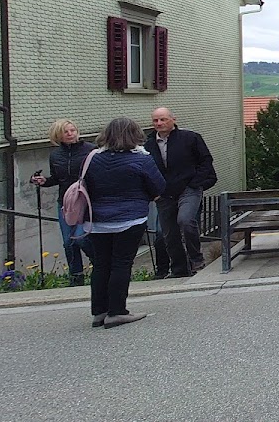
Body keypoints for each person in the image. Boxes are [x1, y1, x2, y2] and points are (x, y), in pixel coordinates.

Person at [85, 117, 165, 328]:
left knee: (101, 264)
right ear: (134, 134)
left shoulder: (92, 158)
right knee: (121, 263)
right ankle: (117, 311)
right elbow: (159, 187)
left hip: (97, 220)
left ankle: (99, 312)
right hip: (130, 219)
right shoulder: (141, 159)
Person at [145, 108, 217, 277]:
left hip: (188, 189)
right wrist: (152, 191)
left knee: (185, 220)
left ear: (173, 119)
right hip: (164, 194)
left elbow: (206, 161)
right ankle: (179, 269)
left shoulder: (190, 138)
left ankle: (196, 260)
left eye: (163, 119)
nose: (159, 123)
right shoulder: (148, 145)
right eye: (155, 120)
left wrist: (195, 183)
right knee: (168, 234)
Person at [30, 119, 97, 286]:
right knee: (68, 242)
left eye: (72, 130)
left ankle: (100, 263)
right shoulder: (55, 155)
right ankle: (76, 276)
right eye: (65, 132)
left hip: (87, 201)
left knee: (81, 238)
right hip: (66, 203)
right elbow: (57, 179)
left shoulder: (90, 150)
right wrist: (43, 181)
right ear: (58, 135)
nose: (70, 134)